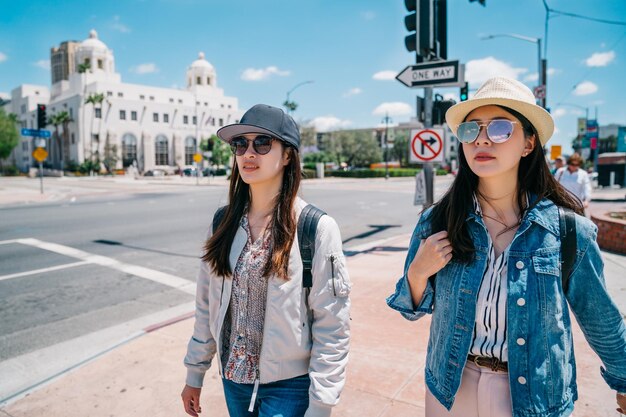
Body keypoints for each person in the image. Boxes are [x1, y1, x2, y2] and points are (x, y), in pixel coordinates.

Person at [386, 77, 626, 417]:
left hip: (533, 396)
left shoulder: (568, 231)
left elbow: (600, 317)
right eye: (471, 129)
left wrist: (624, 381)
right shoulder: (438, 220)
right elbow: (409, 307)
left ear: (529, 143)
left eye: (500, 128)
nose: (482, 138)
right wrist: (417, 273)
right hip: (451, 387)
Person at [181, 104, 351, 417]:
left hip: (290, 387)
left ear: (288, 155)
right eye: (240, 144)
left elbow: (333, 325)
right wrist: (195, 373)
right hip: (233, 380)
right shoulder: (223, 222)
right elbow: (206, 305)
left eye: (262, 143)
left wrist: (322, 404)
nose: (248, 153)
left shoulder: (315, 227)